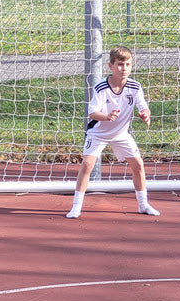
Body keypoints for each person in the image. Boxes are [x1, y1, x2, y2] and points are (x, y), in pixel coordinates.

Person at [66, 46, 160, 219]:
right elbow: (92, 113)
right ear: (110, 66)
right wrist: (107, 116)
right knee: (87, 165)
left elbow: (144, 107)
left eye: (127, 64)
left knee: (138, 165)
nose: (124, 68)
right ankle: (76, 207)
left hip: (121, 134)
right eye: (120, 64)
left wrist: (145, 115)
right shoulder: (101, 87)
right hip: (98, 133)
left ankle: (143, 204)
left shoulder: (135, 87)